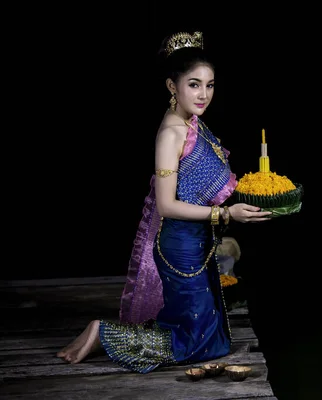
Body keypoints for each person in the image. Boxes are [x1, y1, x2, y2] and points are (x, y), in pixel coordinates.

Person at [56, 30, 272, 373]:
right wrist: (225, 213)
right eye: (194, 84)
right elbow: (168, 205)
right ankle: (105, 333)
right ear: (173, 86)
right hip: (180, 247)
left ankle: (126, 333)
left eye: (210, 85)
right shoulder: (171, 133)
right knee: (198, 344)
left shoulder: (192, 123)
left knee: (214, 338)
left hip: (198, 243)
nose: (203, 95)